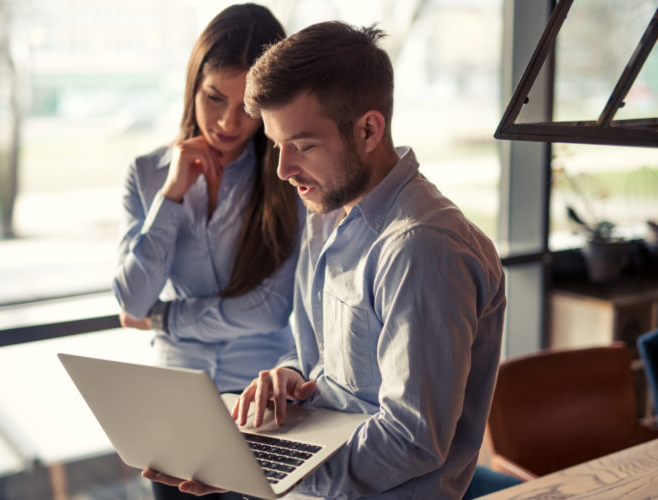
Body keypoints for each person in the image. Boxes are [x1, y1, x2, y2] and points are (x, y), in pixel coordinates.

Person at [146, 21, 507, 499]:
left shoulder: (422, 247)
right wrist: (293, 376)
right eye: (277, 145)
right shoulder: (324, 216)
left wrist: (258, 470)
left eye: (303, 145)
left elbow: (411, 440)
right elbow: (323, 364)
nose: (283, 169)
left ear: (369, 129)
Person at [112, 5, 300, 499]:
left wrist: (165, 319)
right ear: (193, 84)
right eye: (214, 97)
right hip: (175, 412)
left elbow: (270, 309)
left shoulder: (289, 179)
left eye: (248, 107)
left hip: (260, 409)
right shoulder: (147, 174)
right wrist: (172, 196)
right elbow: (132, 300)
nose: (227, 121)